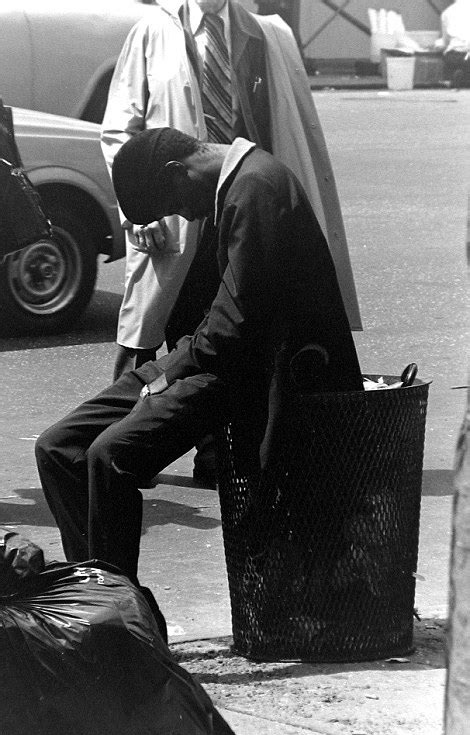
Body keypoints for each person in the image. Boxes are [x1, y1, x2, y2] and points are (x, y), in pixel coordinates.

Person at [35, 128, 363, 590]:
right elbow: (216, 322)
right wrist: (164, 370)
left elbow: (234, 329)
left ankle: (123, 618)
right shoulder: (236, 187)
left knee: (113, 456)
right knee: (57, 447)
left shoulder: (255, 189)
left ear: (177, 172)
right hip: (208, 354)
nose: (181, 216)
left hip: (245, 370)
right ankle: (93, 599)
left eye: (172, 206)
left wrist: (165, 374)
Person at [101, 0, 362, 486]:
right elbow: (120, 128)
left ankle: (215, 455)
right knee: (162, 330)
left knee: (231, 324)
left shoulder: (262, 33)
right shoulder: (155, 30)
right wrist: (137, 213)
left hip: (234, 199)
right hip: (174, 206)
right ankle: (122, 445)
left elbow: (282, 118)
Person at [435, 0, 470, 86]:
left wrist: (437, 45)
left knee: (452, 60)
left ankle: (457, 78)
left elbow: (445, 42)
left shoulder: (446, 13)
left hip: (453, 55)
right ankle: (464, 78)